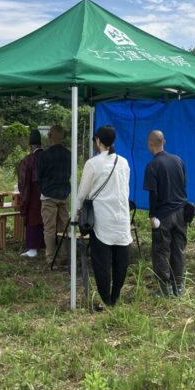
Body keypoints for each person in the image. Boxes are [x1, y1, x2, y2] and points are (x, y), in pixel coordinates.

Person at [77, 125, 132, 309]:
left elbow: (82, 193)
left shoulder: (92, 163)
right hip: (122, 218)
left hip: (102, 220)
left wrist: (76, 214)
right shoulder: (124, 162)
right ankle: (115, 298)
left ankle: (106, 300)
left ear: (98, 141)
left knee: (102, 263)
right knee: (120, 262)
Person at [143, 130, 188, 297]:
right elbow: (184, 184)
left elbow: (153, 194)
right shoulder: (178, 160)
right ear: (164, 142)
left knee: (161, 250)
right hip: (181, 211)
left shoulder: (153, 165)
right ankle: (179, 287)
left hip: (163, 214)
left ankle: (165, 289)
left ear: (150, 143)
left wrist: (152, 215)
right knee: (178, 249)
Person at [37, 125, 71, 267]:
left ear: (51, 136)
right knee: (64, 228)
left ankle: (50, 259)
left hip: (49, 195)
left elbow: (39, 175)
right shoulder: (69, 155)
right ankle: (64, 256)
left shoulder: (44, 155)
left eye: (49, 134)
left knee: (49, 229)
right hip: (63, 195)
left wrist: (43, 188)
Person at [17, 130, 44, 258]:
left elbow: (23, 181)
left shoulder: (28, 160)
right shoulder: (47, 157)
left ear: (30, 147)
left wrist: (21, 191)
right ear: (41, 144)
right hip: (47, 194)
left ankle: (33, 248)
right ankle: (45, 245)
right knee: (45, 219)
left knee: (33, 218)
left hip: (33, 195)